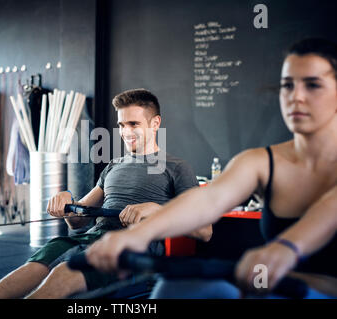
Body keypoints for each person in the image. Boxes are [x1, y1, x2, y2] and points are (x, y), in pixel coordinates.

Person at [86, 38, 337, 299]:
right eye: (287, 85)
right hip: (277, 289)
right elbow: (207, 199)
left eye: (313, 85)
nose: (296, 96)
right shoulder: (260, 161)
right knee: (173, 288)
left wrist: (286, 248)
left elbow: (328, 210)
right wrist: (138, 234)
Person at [0, 88, 211, 299]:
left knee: (63, 273)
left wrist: (157, 211)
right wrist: (67, 202)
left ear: (155, 123)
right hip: (89, 239)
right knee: (20, 276)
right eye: (121, 125)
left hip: (133, 247)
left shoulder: (177, 167)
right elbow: (78, 221)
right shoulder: (113, 166)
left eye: (134, 124)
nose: (125, 132)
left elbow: (204, 231)